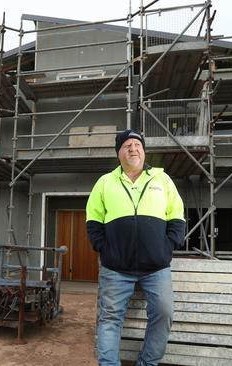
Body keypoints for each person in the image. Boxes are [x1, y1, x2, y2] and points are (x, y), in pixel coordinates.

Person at [86, 129, 186, 366]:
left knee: (164, 313)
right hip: (116, 267)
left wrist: (167, 247)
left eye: (137, 144)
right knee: (109, 319)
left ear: (144, 150)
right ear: (118, 153)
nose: (132, 148)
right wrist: (104, 248)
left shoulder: (162, 180)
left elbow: (178, 218)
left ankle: (147, 363)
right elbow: (93, 221)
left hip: (156, 267)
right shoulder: (105, 183)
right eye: (126, 145)